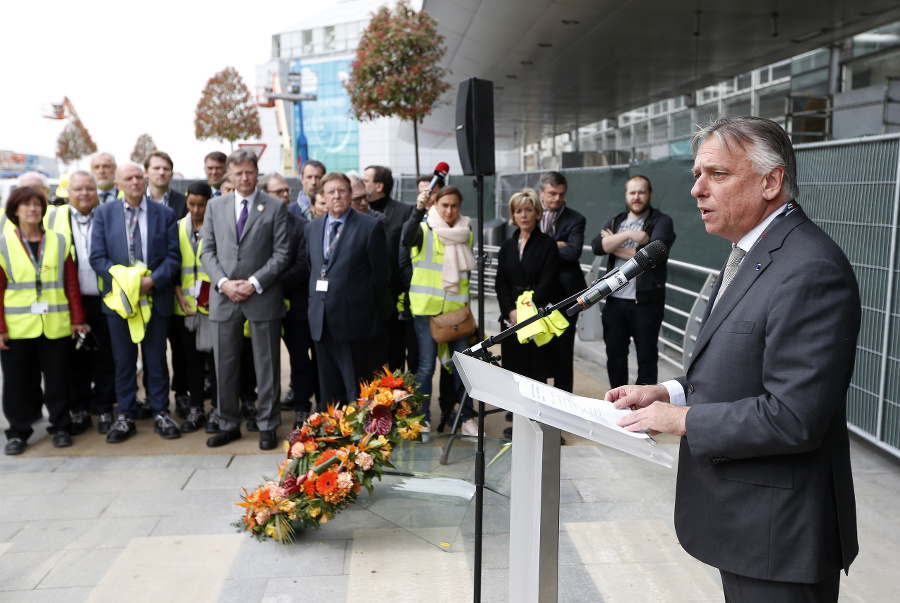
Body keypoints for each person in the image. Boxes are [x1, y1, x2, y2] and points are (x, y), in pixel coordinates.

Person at [610, 116, 860, 602]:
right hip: (750, 526)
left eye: (717, 175)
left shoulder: (810, 269)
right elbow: (741, 363)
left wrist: (682, 419)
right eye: (697, 175)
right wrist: (669, 392)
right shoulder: (756, 252)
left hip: (777, 536)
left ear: (772, 181)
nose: (697, 190)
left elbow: (793, 417)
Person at [201, 150, 290, 450]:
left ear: (256, 171)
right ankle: (227, 423)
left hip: (261, 296)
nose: (244, 177)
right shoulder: (215, 206)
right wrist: (224, 283)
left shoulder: (275, 207)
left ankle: (267, 424)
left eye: (249, 171)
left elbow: (282, 254)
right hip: (225, 296)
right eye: (238, 172)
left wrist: (252, 283)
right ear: (229, 174)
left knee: (267, 365)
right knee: (224, 365)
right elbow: (207, 251)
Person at [90, 161, 182, 443]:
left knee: (156, 359)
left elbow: (173, 257)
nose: (135, 182)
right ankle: (125, 415)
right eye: (128, 178)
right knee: (124, 360)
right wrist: (127, 284)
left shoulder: (164, 214)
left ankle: (161, 413)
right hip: (120, 303)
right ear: (117, 184)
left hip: (153, 297)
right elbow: (97, 257)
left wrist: (151, 281)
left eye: (139, 177)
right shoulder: (104, 213)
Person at [1, 187, 88, 455]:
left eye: (37, 204)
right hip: (17, 329)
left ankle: (60, 426)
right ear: (15, 210)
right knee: (18, 382)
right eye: (26, 205)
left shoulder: (60, 242)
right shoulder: (3, 244)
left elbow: (71, 283)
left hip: (56, 325)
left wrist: (78, 319)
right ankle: (18, 431)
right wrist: (0, 328)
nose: (33, 209)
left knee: (58, 379)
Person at [305, 172, 389, 407]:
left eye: (342, 190)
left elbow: (380, 277)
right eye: (331, 192)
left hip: (354, 322)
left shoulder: (370, 226)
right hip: (321, 321)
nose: (337, 196)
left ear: (351, 194)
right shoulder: (311, 228)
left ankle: (360, 438)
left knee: (356, 387)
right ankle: (331, 435)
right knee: (328, 387)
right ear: (323, 196)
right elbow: (312, 267)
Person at [44, 171, 116, 435]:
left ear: (96, 192)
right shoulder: (52, 217)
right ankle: (80, 409)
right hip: (69, 299)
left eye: (89, 188)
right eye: (78, 189)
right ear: (68, 193)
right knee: (74, 358)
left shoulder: (108, 215)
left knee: (106, 356)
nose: (85, 193)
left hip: (105, 298)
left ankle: (105, 407)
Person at [402, 185, 477, 435]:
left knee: (461, 366)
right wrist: (417, 209)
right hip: (427, 312)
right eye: (444, 205)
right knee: (426, 367)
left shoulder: (465, 231)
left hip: (457, 313)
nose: (449, 210)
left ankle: (467, 418)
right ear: (435, 205)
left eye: (454, 205)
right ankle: (422, 418)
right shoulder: (423, 229)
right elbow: (405, 238)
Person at [592, 175, 675, 387]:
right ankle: (617, 405)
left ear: (650, 195)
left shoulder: (661, 221)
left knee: (647, 358)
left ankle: (644, 409)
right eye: (632, 192)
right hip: (614, 301)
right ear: (626, 195)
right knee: (615, 356)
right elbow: (596, 246)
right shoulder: (616, 221)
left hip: (647, 303)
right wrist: (630, 234)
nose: (636, 197)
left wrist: (613, 245)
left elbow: (651, 255)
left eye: (641, 192)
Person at [496, 189, 562, 439]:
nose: (523, 215)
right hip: (512, 318)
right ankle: (520, 422)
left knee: (536, 371)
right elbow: (500, 282)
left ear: (536, 212)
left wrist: (526, 311)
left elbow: (549, 282)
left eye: (528, 209)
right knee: (515, 370)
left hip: (536, 316)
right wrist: (511, 310)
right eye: (518, 210)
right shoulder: (507, 246)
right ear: (513, 215)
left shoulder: (547, 245)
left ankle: (538, 424)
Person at [261, 173, 316, 427]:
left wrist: (270, 284)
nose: (285, 195)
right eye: (278, 191)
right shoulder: (257, 223)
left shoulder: (300, 225)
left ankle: (302, 408)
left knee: (299, 360)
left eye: (286, 190)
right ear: (265, 195)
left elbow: (303, 264)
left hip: (295, 306)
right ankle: (263, 410)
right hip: (260, 306)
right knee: (263, 361)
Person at [143, 150, 189, 416]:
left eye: (166, 169)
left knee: (180, 346)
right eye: (157, 168)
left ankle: (181, 394)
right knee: (152, 348)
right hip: (148, 289)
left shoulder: (184, 203)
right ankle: (151, 395)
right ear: (147, 171)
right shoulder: (132, 203)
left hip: (180, 287)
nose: (162, 172)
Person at [173, 181, 217, 433]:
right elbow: (173, 266)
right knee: (192, 361)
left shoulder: (217, 227)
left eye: (202, 205)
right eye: (191, 204)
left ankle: (217, 410)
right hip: (186, 307)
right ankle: (196, 408)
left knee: (215, 360)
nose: (196, 210)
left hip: (212, 306)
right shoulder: (178, 227)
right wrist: (179, 297)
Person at [538, 171, 586, 393]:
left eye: (561, 194)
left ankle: (563, 404)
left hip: (567, 295)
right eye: (552, 193)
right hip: (536, 292)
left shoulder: (576, 219)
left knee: (564, 352)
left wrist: (542, 247)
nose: (557, 198)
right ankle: (535, 401)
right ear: (542, 192)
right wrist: (557, 245)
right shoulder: (531, 214)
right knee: (536, 349)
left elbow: (573, 252)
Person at [363, 165, 415, 371]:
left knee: (395, 353)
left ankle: (395, 400)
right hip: (366, 296)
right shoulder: (358, 212)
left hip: (395, 298)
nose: (361, 183)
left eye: (365, 180)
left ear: (379, 185)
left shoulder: (404, 212)